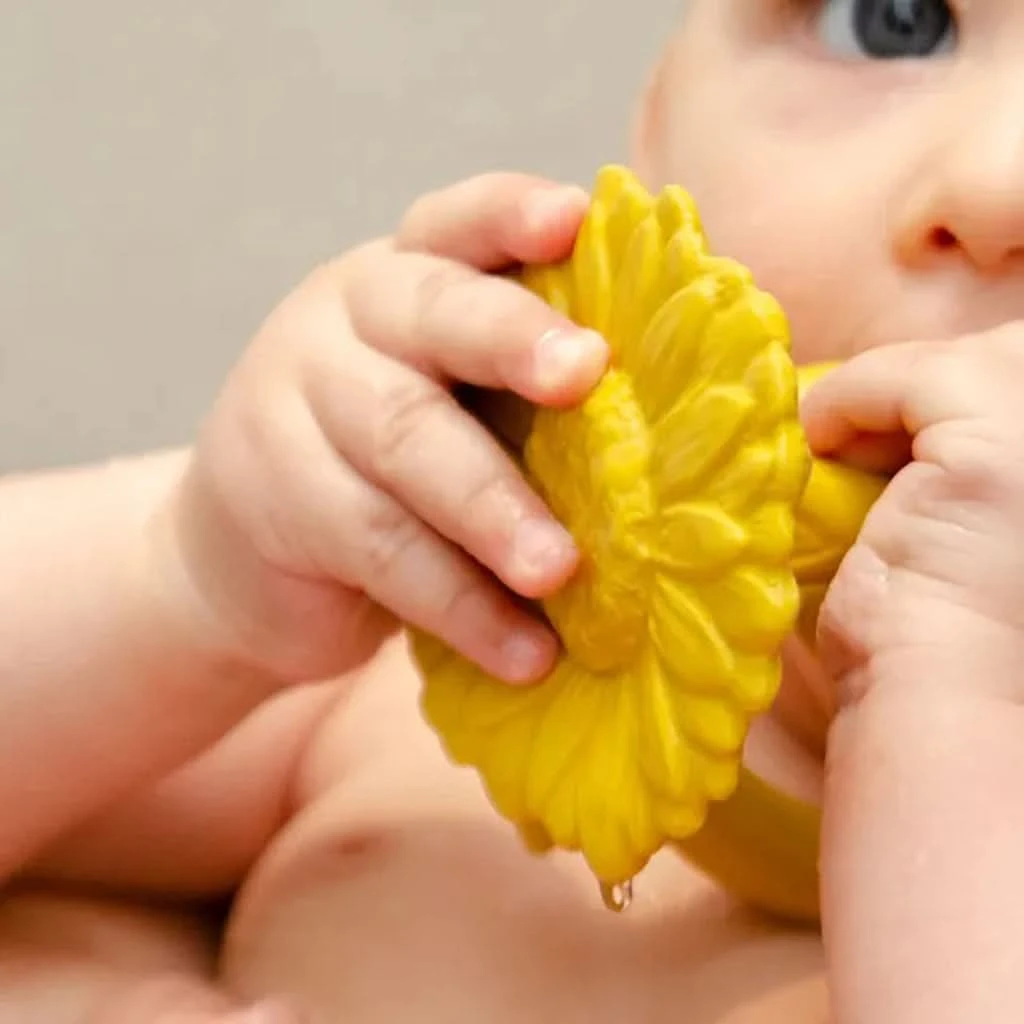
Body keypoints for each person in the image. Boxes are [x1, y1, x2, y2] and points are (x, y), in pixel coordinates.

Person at [3, 0, 1023, 1020]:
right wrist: (186, 583)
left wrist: (962, 692)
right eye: (893, 20)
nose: (995, 180)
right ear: (657, 131)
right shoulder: (442, 640)